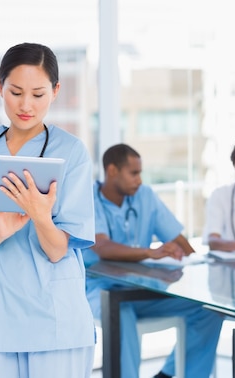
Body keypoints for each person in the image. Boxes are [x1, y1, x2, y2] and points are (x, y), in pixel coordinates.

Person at [0, 43, 96, 378]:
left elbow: (58, 250)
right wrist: (0, 232)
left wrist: (40, 216)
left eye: (38, 94)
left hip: (56, 322)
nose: (26, 105)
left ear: (56, 92)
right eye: (15, 92)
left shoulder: (72, 153)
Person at [83, 143, 223, 378]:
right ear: (112, 171)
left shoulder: (144, 196)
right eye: (134, 173)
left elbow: (179, 241)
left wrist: (195, 264)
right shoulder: (88, 198)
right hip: (100, 292)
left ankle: (168, 375)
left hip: (142, 291)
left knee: (209, 309)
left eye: (140, 174)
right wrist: (150, 252)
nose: (139, 180)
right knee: (121, 312)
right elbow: (103, 247)